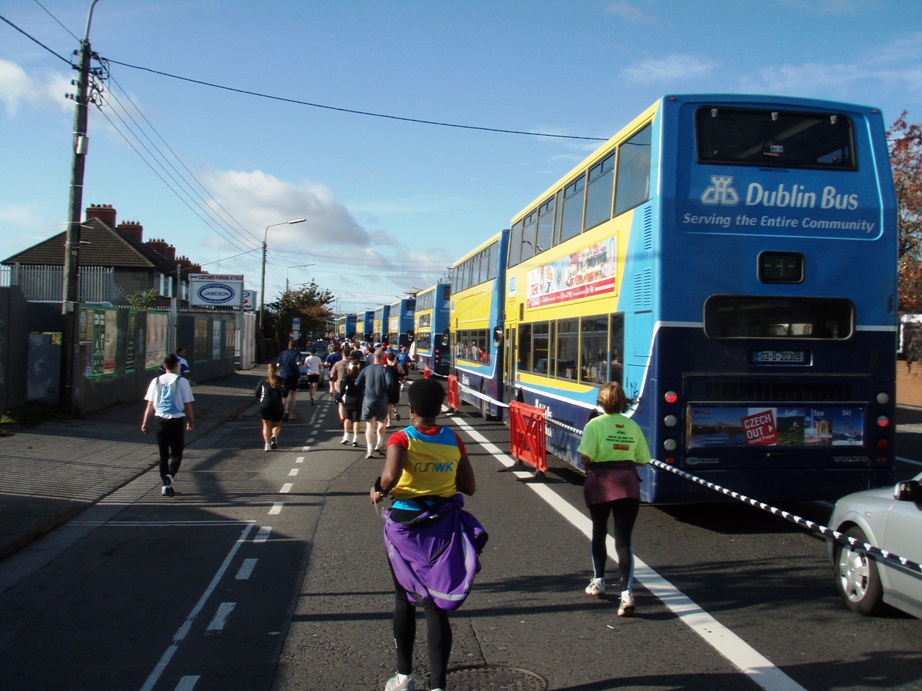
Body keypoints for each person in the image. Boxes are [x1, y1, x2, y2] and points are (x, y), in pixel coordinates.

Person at [370, 377, 485, 691]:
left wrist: (377, 488)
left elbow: (390, 476)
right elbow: (470, 487)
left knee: (404, 597)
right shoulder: (454, 439)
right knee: (435, 604)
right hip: (443, 523)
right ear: (440, 407)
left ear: (411, 409)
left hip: (406, 524)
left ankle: (404, 677)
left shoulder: (402, 439)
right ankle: (437, 685)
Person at [576, 381, 650, 617]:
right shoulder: (632, 426)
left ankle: (598, 581)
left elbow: (585, 456)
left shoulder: (594, 424)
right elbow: (642, 459)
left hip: (600, 483)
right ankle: (627, 593)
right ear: (622, 401)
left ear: (601, 401)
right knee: (624, 541)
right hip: (627, 484)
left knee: (599, 531)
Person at [141, 354, 195, 497]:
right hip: (176, 421)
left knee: (163, 454)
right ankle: (170, 475)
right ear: (176, 366)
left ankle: (166, 485)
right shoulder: (182, 381)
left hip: (159, 421)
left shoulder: (155, 381)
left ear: (164, 367)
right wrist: (191, 421)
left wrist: (145, 423)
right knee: (177, 453)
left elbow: (150, 405)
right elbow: (187, 405)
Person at [355, 348, 394, 458]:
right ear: (383, 358)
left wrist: (364, 389)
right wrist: (387, 393)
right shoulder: (385, 370)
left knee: (369, 425)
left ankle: (370, 449)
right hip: (382, 399)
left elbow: (357, 383)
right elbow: (390, 383)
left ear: (373, 357)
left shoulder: (367, 369)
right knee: (382, 422)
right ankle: (379, 444)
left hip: (368, 400)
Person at [255, 362, 286, 451]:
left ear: (267, 370)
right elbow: (286, 392)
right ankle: (274, 435)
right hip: (277, 405)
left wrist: (260, 398)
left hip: (265, 405)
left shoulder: (263, 381)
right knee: (277, 424)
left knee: (266, 425)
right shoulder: (281, 380)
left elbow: (257, 392)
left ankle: (267, 445)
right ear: (276, 370)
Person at [339, 358, 364, 446]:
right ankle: (355, 439)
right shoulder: (361, 376)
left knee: (348, 418)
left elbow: (342, 387)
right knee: (356, 419)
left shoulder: (347, 376)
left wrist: (339, 397)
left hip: (349, 398)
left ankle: (346, 437)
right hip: (359, 399)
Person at [277, 339, 302, 421]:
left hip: (284, 375)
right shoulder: (297, 353)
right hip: (294, 375)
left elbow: (278, 364)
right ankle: (291, 413)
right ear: (295, 346)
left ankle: (285, 411)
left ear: (288, 345)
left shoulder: (283, 353)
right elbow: (298, 363)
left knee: (285, 394)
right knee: (293, 392)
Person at [385, 350, 405, 427]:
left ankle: (389, 421)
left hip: (388, 387)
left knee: (388, 405)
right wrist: (402, 381)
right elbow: (404, 375)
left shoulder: (385, 367)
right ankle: (395, 411)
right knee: (395, 403)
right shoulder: (398, 366)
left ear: (387, 358)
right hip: (396, 386)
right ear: (394, 358)